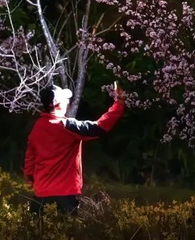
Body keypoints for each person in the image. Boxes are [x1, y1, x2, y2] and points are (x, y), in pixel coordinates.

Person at [23, 82, 125, 216]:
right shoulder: (67, 125)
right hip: (65, 197)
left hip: (40, 196)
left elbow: (29, 162)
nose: (67, 102)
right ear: (56, 104)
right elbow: (100, 127)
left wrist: (31, 180)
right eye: (65, 100)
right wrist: (119, 103)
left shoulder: (37, 127)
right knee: (67, 228)